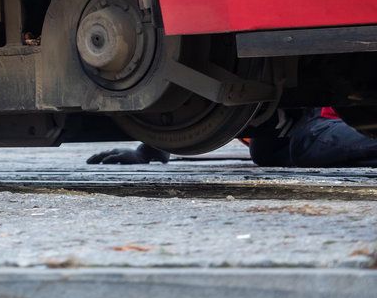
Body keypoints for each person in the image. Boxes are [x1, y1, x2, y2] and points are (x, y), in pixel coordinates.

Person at [86, 107, 377, 168]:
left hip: (317, 121)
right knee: (265, 154)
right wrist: (150, 149)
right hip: (283, 136)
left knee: (305, 147)